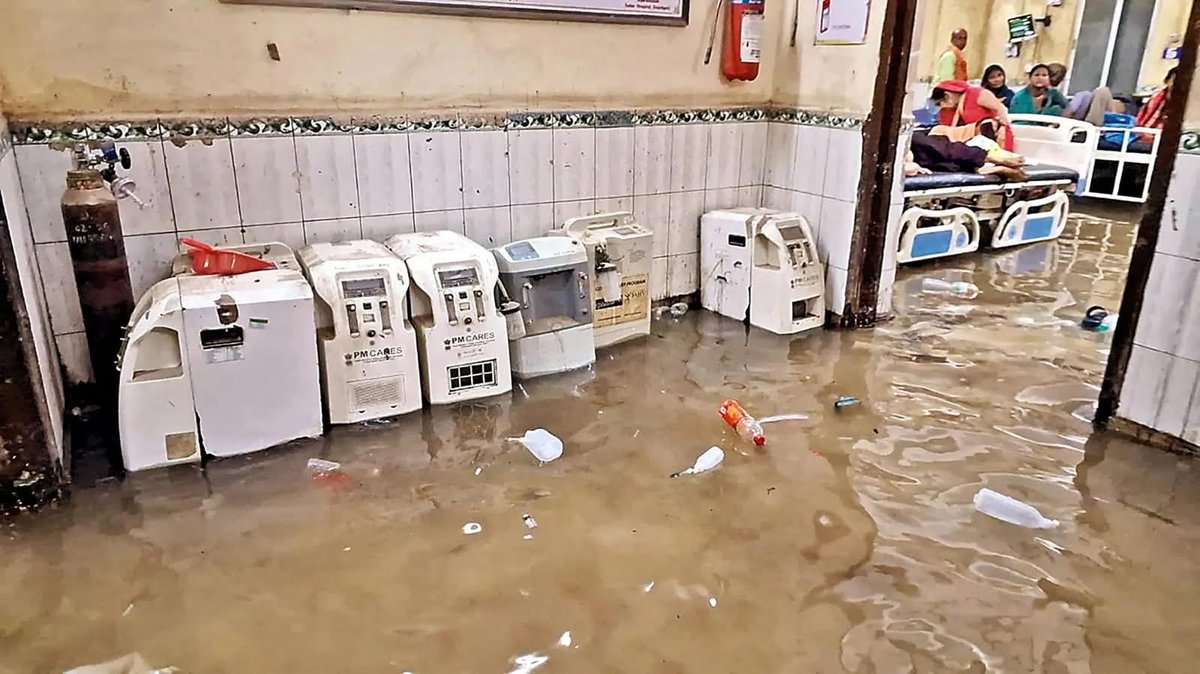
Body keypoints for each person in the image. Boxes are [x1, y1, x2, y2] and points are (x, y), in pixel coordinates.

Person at [931, 80, 1015, 150]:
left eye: (939, 103)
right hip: (971, 142)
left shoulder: (977, 94)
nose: (941, 107)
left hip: (993, 136)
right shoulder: (948, 109)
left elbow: (1001, 109)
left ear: (947, 96)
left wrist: (1002, 128)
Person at [1136, 66, 1176, 133]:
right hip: (1145, 133)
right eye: (1173, 81)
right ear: (1167, 81)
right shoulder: (1157, 97)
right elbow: (1143, 119)